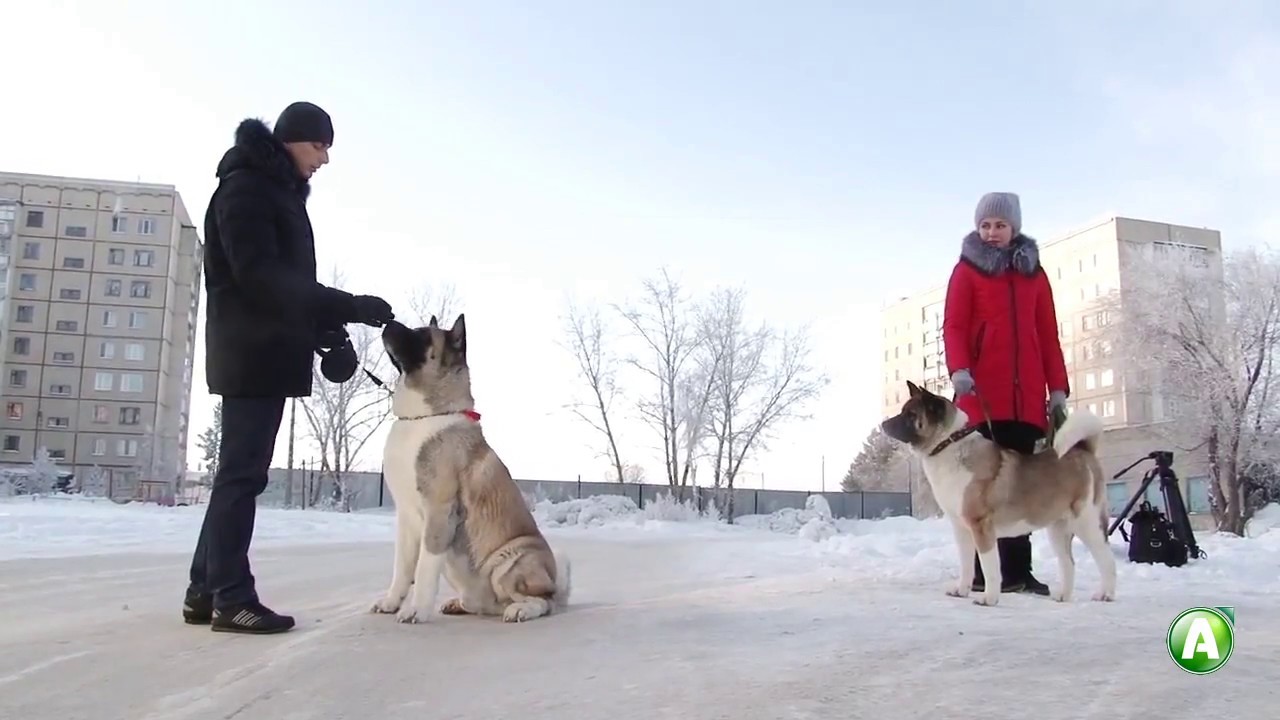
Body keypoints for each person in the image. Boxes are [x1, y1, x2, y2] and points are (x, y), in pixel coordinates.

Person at [183, 101, 395, 634]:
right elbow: (260, 278)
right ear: (291, 140)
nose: (324, 160)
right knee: (241, 477)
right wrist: (347, 305)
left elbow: (285, 286)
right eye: (319, 146)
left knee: (239, 474)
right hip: (250, 351)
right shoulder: (247, 190)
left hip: (266, 347)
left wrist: (326, 333)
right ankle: (232, 597)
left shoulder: (274, 193)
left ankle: (203, 588)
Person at [941, 191, 1070, 596]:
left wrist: (1058, 389)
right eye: (985, 225)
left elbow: (1047, 336)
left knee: (1020, 488)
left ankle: (1017, 572)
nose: (992, 232)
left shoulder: (1035, 275)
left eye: (999, 225)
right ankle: (984, 573)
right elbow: (955, 326)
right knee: (986, 489)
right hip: (982, 398)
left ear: (1014, 227)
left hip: (1026, 399)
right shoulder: (967, 271)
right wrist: (960, 369)